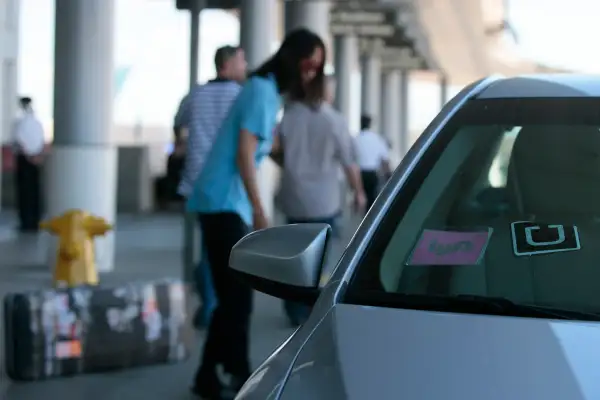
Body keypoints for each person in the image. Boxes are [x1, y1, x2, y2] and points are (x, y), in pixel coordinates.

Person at [187, 28, 327, 399]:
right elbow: (244, 155)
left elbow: (265, 147)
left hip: (222, 202)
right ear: (294, 61)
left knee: (233, 297)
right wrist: (261, 213)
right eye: (309, 65)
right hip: (223, 203)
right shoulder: (261, 91)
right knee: (236, 298)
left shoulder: (263, 92)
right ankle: (233, 373)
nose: (312, 74)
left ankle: (216, 373)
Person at [274, 76, 366, 327]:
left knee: (293, 255)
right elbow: (349, 161)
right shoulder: (333, 119)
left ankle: (294, 308)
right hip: (323, 200)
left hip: (294, 196)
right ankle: (312, 307)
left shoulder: (289, 116)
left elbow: (273, 147)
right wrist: (358, 191)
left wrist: (289, 165)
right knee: (321, 259)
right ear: (323, 91)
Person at [174, 45, 247, 329]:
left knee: (204, 246)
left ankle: (208, 302)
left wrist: (183, 142)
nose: (245, 66)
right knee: (224, 249)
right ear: (227, 65)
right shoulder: (240, 97)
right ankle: (217, 306)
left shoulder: (196, 94)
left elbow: (179, 123)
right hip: (227, 185)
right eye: (241, 61)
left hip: (195, 182)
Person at [12, 97, 45, 233]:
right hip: (35, 158)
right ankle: (35, 221)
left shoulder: (19, 122)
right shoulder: (37, 122)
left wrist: (27, 155)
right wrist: (36, 155)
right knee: (35, 190)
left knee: (24, 192)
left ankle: (26, 222)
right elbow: (41, 141)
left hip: (24, 159)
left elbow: (18, 140)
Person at [354, 115, 392, 213]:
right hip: (373, 174)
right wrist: (388, 175)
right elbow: (385, 159)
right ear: (370, 124)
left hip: (359, 174)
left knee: (360, 198)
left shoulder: (356, 138)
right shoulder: (377, 138)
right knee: (371, 202)